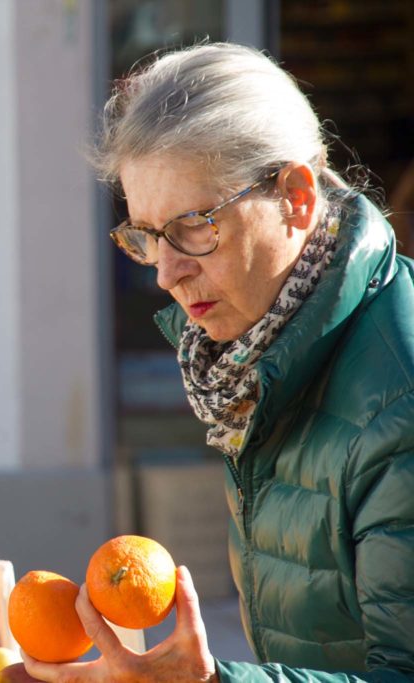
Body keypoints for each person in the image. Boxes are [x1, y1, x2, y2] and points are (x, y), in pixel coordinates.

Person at [24, 42, 414, 681]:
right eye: (147, 237)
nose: (166, 274)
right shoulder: (253, 358)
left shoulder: (398, 400)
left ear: (296, 197)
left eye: (195, 225)